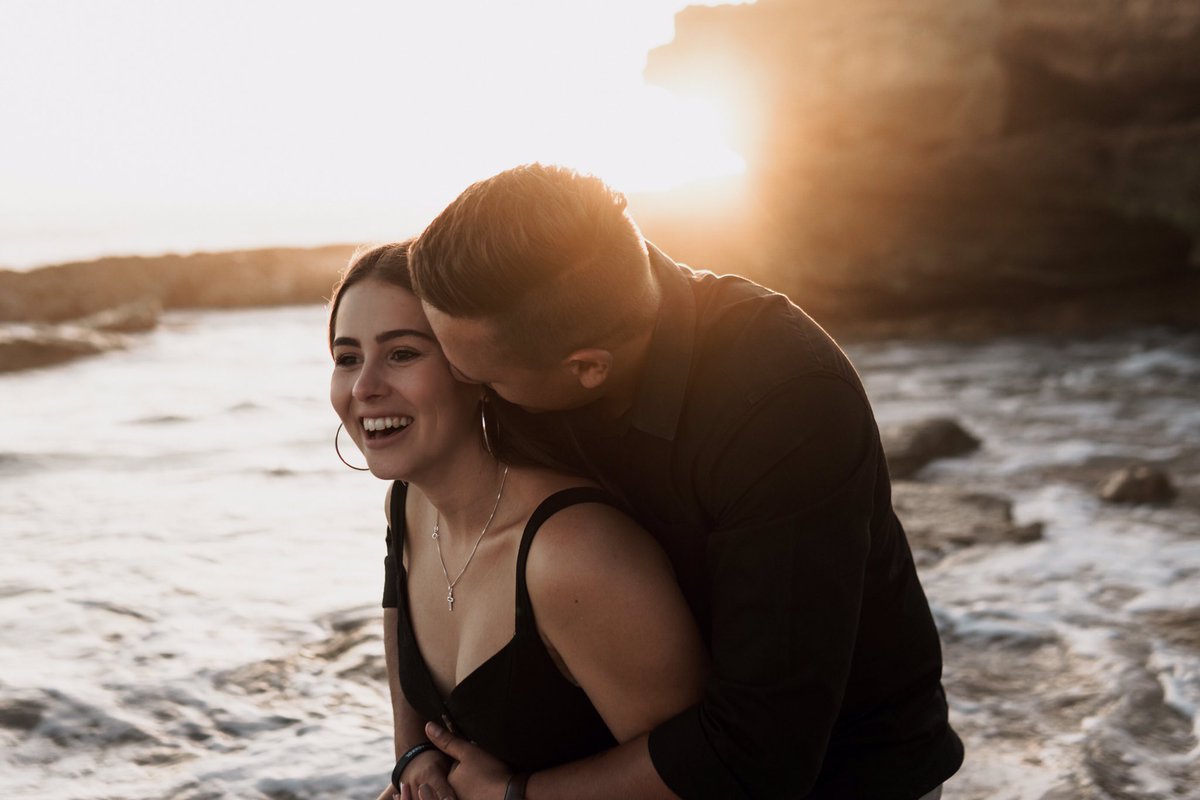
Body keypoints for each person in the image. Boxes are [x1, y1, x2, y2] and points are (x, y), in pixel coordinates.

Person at [406, 163, 965, 799]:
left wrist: (517, 795)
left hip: (847, 774)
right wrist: (414, 750)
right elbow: (415, 529)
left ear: (587, 368)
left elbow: (761, 751)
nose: (465, 391)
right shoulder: (546, 326)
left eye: (485, 380)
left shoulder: (783, 404)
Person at [327, 241, 708, 800]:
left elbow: (704, 776)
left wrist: (515, 795)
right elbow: (400, 623)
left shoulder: (574, 551)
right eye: (347, 358)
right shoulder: (407, 504)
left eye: (402, 354)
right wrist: (412, 756)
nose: (364, 388)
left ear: (472, 366)